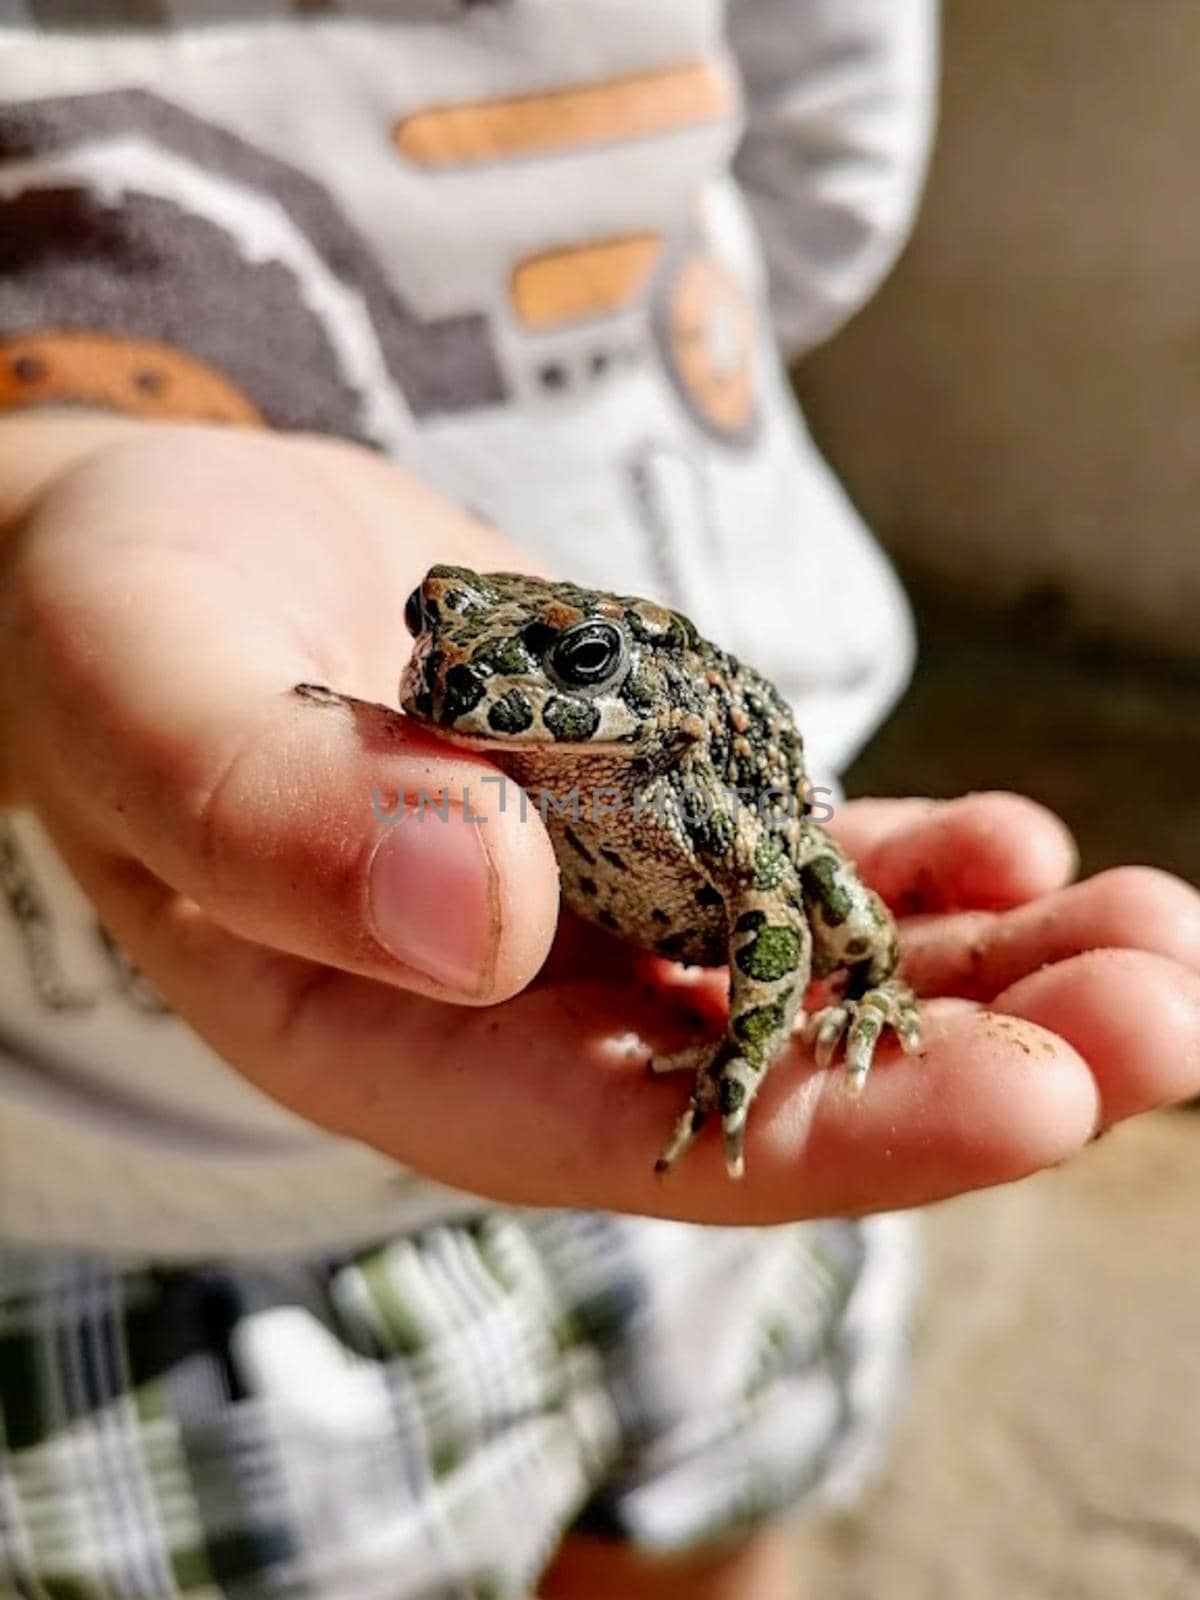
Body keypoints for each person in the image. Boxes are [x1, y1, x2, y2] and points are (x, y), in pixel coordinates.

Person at [1, 5, 1198, 1598]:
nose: (450, 689)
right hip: (140, 1205)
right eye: (432, 645)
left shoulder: (680, 777)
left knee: (708, 1511)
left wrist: (761, 1030)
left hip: (684, 1095)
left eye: (539, 665)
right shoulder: (462, 740)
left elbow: (778, 895)